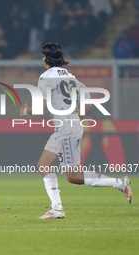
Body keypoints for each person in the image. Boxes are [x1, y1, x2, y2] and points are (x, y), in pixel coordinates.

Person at [20, 43, 133, 219]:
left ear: (44, 57)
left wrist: (25, 111)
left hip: (65, 129)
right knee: (43, 164)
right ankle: (56, 208)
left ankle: (118, 183)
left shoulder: (46, 77)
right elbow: (87, 102)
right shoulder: (72, 78)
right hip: (66, 127)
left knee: (73, 176)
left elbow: (42, 104)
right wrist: (74, 118)